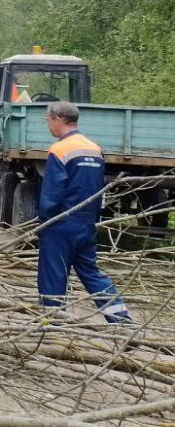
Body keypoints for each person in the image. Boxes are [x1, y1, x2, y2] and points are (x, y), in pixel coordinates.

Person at [37, 101, 131, 323]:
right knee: (92, 273)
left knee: (53, 276)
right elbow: (97, 189)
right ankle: (121, 320)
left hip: (60, 224)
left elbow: (52, 194)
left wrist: (43, 223)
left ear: (59, 119)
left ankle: (51, 323)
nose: (48, 125)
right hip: (86, 224)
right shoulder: (94, 149)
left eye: (48, 120)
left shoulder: (59, 150)